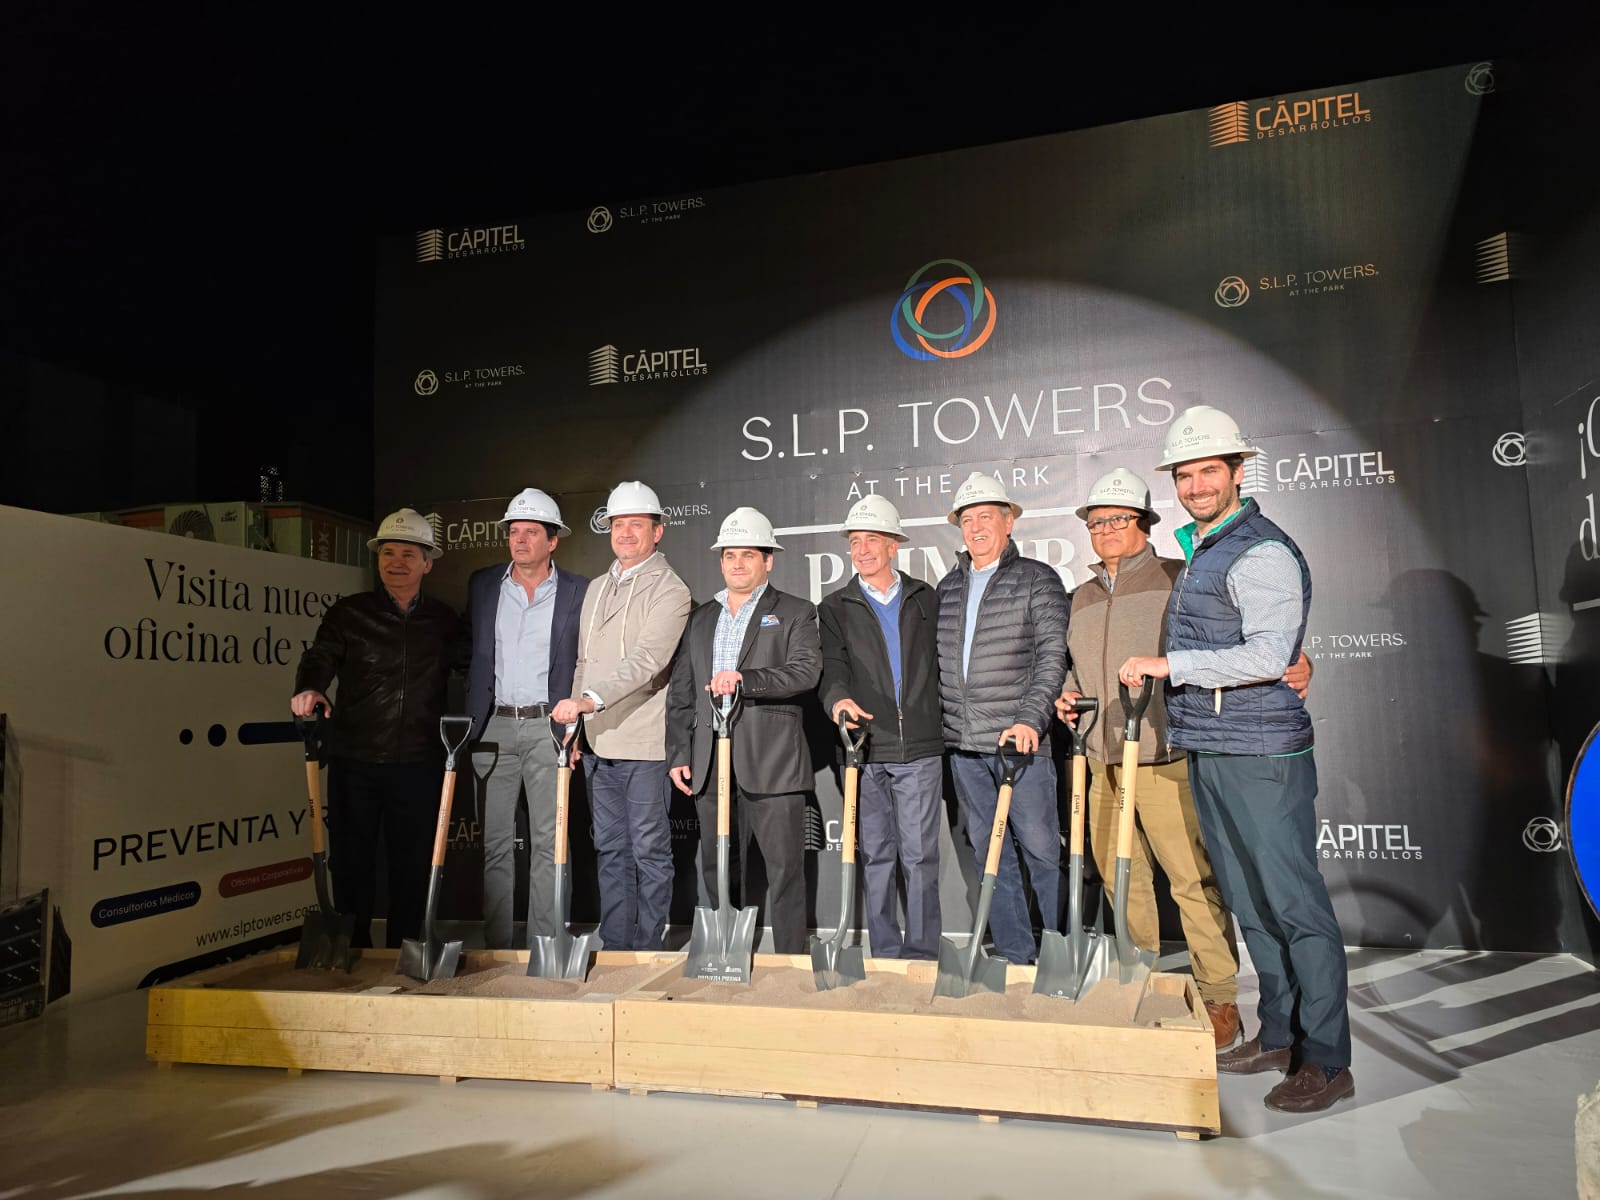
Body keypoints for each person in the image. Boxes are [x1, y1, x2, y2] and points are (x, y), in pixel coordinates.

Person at [1118, 405, 1352, 1114]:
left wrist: (1171, 665)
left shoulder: (1261, 550)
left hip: (1262, 752)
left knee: (1294, 904)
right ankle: (1280, 1035)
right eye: (1184, 475)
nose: (1194, 486)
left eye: (1207, 472)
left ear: (1238, 471)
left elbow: (1271, 654)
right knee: (1251, 904)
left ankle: (1327, 1059)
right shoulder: (1204, 548)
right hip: (1213, 745)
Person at [1055, 467, 1312, 1052]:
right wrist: (1066, 693)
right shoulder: (1081, 596)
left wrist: (1301, 661)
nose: (1105, 530)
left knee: (1192, 881)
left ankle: (1220, 998)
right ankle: (1139, 981)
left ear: (1144, 523)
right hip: (1101, 758)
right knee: (1122, 880)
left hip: (1165, 753)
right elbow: (1073, 665)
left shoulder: (1179, 578)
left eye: (1117, 519)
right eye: (1096, 523)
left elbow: (1248, 639)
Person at [290, 507, 462, 949]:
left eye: (408, 554)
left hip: (419, 762)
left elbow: (476, 669)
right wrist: (310, 687)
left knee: (413, 865)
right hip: (355, 760)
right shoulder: (349, 613)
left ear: (427, 563)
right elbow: (321, 655)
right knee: (351, 862)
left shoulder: (444, 622)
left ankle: (406, 949)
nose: (396, 563)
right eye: (388, 553)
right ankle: (352, 950)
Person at [666, 506, 821, 954]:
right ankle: (724, 955)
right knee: (715, 866)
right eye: (729, 555)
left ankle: (790, 961)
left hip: (773, 763)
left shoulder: (795, 611)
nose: (737, 563)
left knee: (785, 870)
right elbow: (682, 690)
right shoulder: (701, 618)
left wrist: (744, 680)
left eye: (748, 555)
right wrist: (679, 752)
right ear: (720, 562)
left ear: (768, 560)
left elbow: (805, 672)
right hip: (709, 761)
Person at [935, 472, 1070, 965]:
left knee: (1040, 849)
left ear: (1008, 522)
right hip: (965, 747)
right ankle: (1015, 953)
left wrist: (1031, 720)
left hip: (1021, 743)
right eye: (967, 519)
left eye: (985, 517)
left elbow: (1052, 658)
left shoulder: (1038, 579)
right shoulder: (948, 588)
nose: (975, 528)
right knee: (990, 854)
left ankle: (1060, 948)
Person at [552, 482, 691, 952]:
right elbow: (584, 662)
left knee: (649, 850)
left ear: (658, 531)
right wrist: (576, 726)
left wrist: (589, 701)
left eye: (636, 524)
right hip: (597, 742)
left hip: (644, 744)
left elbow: (648, 661)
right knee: (610, 849)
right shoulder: (596, 588)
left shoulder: (671, 589)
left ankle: (648, 946)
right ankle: (615, 945)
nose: (625, 533)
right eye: (617, 525)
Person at [818, 495, 943, 959]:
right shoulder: (834, 607)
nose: (862, 550)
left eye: (872, 539)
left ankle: (923, 954)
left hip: (921, 748)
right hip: (864, 749)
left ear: (894, 545)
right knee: (876, 857)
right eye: (855, 541)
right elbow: (831, 668)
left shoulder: (926, 598)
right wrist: (838, 700)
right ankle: (886, 954)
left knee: (920, 857)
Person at [463, 489, 589, 949]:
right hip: (492, 726)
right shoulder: (483, 585)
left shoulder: (578, 590)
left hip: (548, 727)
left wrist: (574, 730)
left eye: (531, 532)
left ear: (552, 541)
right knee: (495, 843)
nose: (519, 540)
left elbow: (585, 662)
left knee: (550, 842)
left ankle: (546, 944)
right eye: (514, 531)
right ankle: (497, 947)